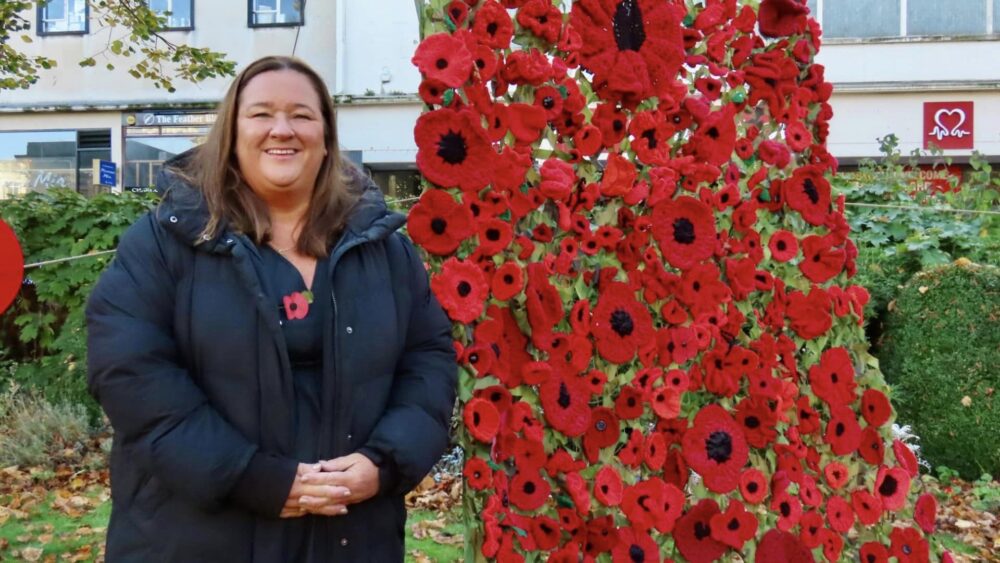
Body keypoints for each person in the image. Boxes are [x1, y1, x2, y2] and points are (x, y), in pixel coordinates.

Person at [86, 56, 457, 562]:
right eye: (261, 114)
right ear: (232, 133)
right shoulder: (163, 242)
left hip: (350, 535)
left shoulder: (382, 248)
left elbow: (428, 361)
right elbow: (130, 376)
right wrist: (251, 477)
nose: (282, 129)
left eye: (302, 115)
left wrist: (385, 463)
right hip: (197, 536)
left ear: (326, 135)